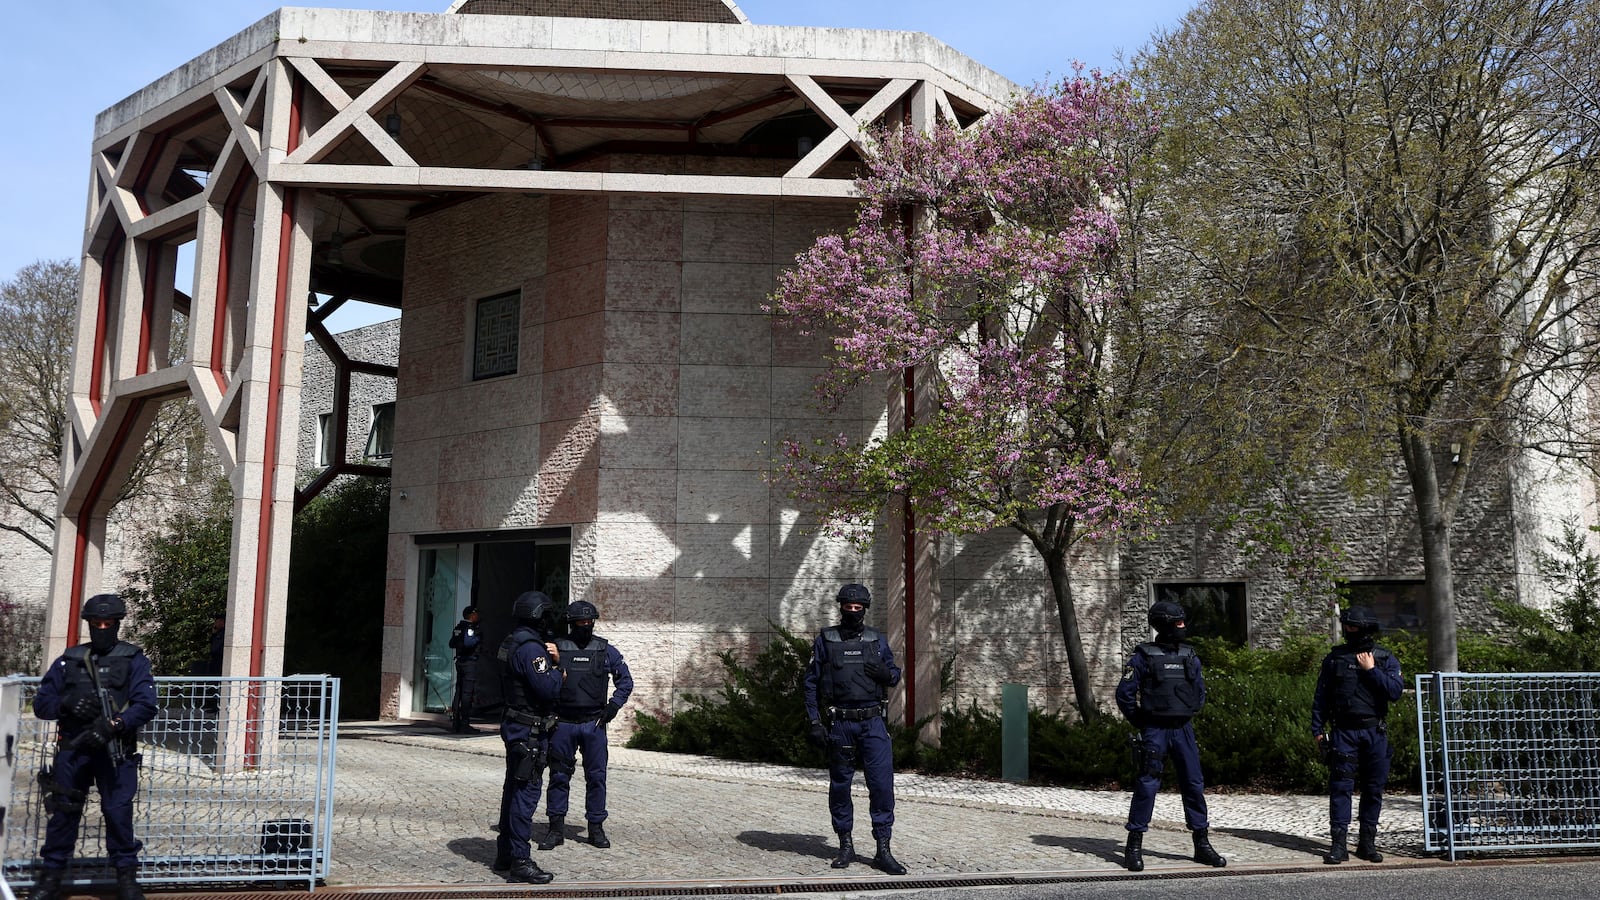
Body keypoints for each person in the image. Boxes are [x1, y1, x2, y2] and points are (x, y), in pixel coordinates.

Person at [31, 593, 159, 900]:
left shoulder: (133, 659)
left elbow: (146, 704)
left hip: (115, 751)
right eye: (96, 623)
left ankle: (126, 879)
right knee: (63, 813)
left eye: (108, 623)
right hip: (73, 750)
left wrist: (114, 725)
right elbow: (41, 704)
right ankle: (50, 878)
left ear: (116, 625)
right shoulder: (68, 660)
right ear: (89, 624)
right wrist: (67, 703)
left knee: (117, 814)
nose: (102, 628)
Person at [802, 583, 907, 875]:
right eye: (847, 607)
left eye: (857, 608)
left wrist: (888, 674)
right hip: (841, 724)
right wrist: (814, 722)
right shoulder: (826, 640)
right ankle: (845, 845)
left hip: (872, 722)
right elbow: (810, 683)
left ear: (865, 609)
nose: (852, 612)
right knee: (840, 786)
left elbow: (895, 674)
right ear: (840, 608)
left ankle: (882, 849)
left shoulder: (876, 639)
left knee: (882, 786)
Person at [1115, 600, 1226, 872]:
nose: (1183, 627)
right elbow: (1124, 694)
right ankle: (1134, 844)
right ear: (1164, 625)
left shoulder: (1189, 655)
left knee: (1193, 785)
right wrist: (1143, 722)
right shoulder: (1143, 656)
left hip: (1183, 730)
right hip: (1156, 731)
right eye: (1178, 623)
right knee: (1147, 786)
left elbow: (1199, 691)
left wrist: (1187, 712)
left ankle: (1201, 844)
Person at [537, 600, 634, 851]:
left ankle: (596, 827)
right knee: (558, 777)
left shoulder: (604, 649)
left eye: (590, 622)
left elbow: (626, 680)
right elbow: (541, 681)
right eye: (581, 622)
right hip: (563, 724)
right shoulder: (556, 647)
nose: (586, 626)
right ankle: (555, 828)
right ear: (571, 624)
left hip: (594, 723)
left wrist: (614, 706)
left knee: (597, 778)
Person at [1312, 605, 1404, 865]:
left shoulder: (1384, 658)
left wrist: (1371, 670)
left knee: (1373, 789)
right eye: (1347, 626)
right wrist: (1317, 730)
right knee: (1341, 788)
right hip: (1344, 732)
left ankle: (1367, 843)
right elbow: (1322, 696)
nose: (1349, 631)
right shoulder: (1336, 659)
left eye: (1353, 627)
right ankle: (1339, 845)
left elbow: (1395, 692)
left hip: (1374, 731)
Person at [491, 591, 564, 885]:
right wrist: (559, 671)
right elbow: (548, 688)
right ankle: (521, 860)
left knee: (512, 791)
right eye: (546, 615)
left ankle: (505, 853)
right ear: (538, 616)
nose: (549, 621)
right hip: (529, 731)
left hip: (515, 725)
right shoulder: (532, 649)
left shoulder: (510, 641)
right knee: (525, 795)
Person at [448, 605, 482, 733]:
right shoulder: (469, 628)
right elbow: (469, 642)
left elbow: (451, 643)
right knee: (467, 693)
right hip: (468, 662)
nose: (477, 616)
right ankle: (464, 723)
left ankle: (455, 722)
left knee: (459, 692)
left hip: (460, 661)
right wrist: (478, 638)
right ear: (471, 615)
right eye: (476, 614)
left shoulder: (458, 627)